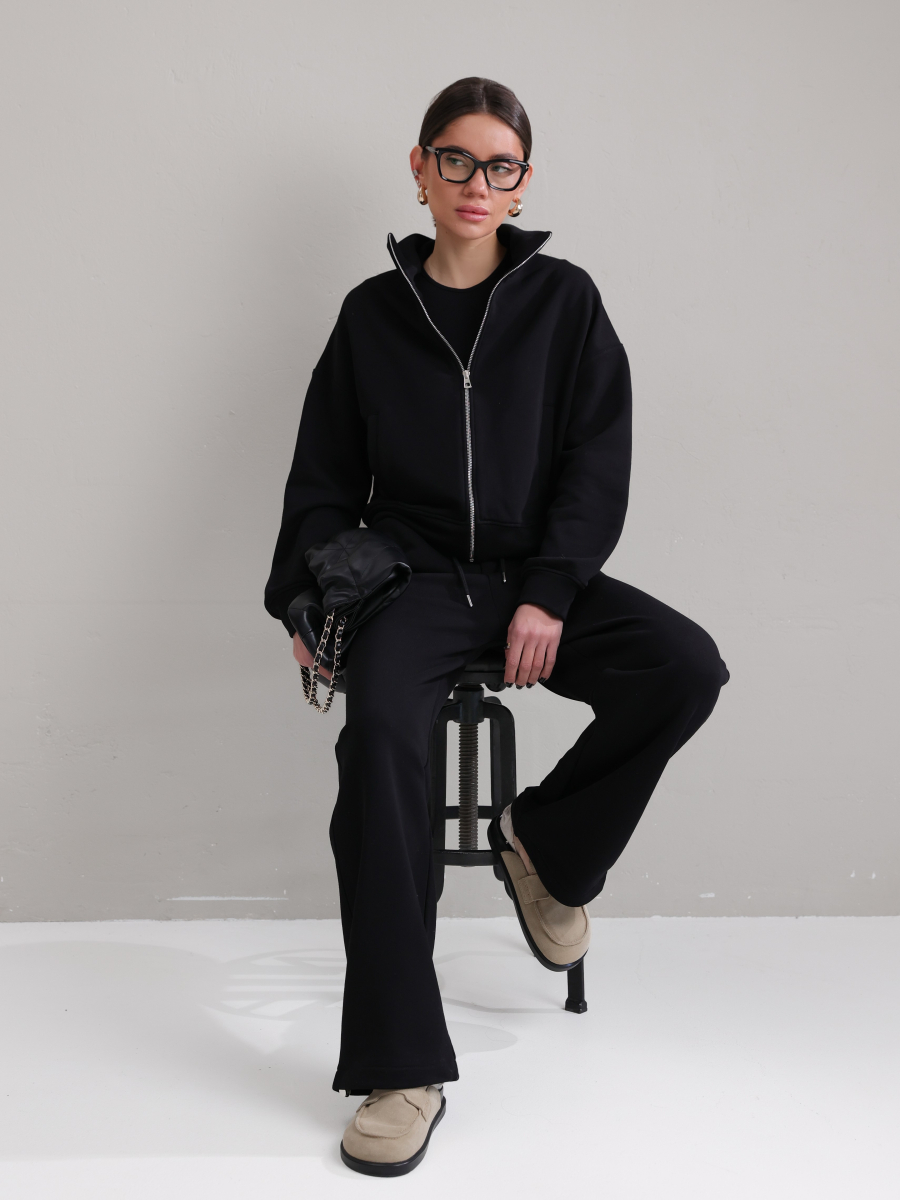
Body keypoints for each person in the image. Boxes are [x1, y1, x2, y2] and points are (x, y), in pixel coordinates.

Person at [264, 76, 729, 1177]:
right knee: (380, 749)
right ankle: (400, 1068)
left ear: (524, 181)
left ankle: (544, 848)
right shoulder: (371, 316)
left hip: (535, 575)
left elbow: (597, 461)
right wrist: (303, 596)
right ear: (420, 168)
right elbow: (323, 476)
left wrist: (553, 589)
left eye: (502, 165)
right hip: (414, 585)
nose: (479, 183)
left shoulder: (565, 301)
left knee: (683, 667)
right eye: (458, 160)